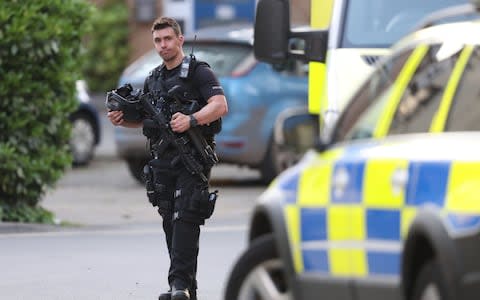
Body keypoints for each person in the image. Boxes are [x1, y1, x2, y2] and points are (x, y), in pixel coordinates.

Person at [107, 17, 228, 300]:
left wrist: (191, 119)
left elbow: (220, 105)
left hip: (191, 159)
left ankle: (178, 285)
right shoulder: (154, 79)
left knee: (185, 216)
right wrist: (122, 120)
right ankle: (186, 290)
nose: (163, 45)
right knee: (170, 223)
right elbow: (148, 120)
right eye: (158, 41)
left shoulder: (199, 72)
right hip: (162, 161)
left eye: (168, 39)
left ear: (180, 40)